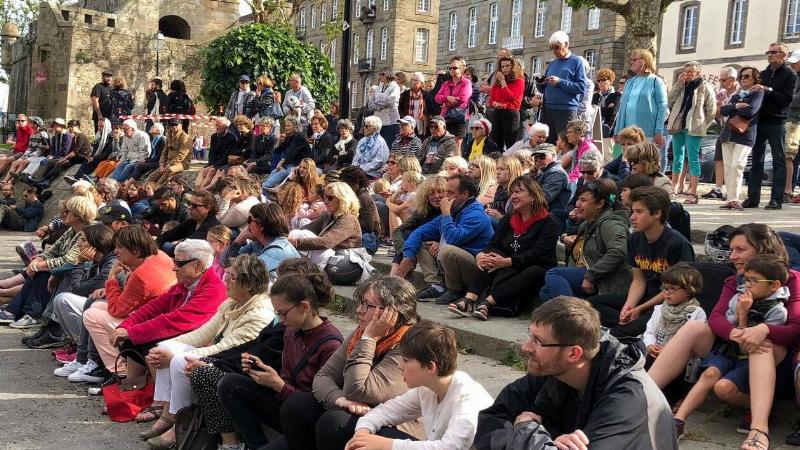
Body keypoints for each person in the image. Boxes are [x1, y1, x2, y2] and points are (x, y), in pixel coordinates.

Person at [648, 224, 798, 450]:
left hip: (778, 363)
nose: (733, 256)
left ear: (762, 250)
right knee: (693, 328)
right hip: (735, 351)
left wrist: (764, 330)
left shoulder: (792, 280)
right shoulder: (734, 281)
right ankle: (639, 396)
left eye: (740, 250)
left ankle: (759, 430)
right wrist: (738, 332)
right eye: (732, 249)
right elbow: (716, 318)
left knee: (761, 343)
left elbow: (796, 329)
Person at [499, 296, 677, 449]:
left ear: (574, 353)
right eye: (530, 335)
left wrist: (526, 429)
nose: (525, 347)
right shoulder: (554, 368)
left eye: (537, 341)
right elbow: (493, 419)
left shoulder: (627, 398)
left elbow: (522, 428)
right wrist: (548, 442)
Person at [270, 276, 421, 450]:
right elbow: (322, 377)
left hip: (394, 426)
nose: (359, 310)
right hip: (358, 413)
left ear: (392, 312)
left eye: (367, 305)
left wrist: (369, 339)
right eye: (360, 303)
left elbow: (359, 390)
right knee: (296, 405)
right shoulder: (360, 333)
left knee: (335, 422)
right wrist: (340, 399)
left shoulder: (409, 343)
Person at [140, 253, 275, 449]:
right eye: (227, 274)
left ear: (248, 283)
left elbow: (227, 348)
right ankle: (167, 413)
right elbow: (203, 333)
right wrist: (165, 346)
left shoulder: (260, 314)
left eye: (231, 277)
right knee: (165, 348)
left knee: (179, 360)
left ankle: (179, 420)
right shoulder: (232, 302)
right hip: (221, 356)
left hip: (234, 363)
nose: (225, 280)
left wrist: (183, 356)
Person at [214, 269, 343, 450]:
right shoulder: (291, 331)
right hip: (286, 404)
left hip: (307, 418)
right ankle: (256, 444)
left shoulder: (331, 344)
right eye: (277, 314)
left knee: (295, 405)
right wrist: (260, 370)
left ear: (304, 307)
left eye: (283, 313)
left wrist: (278, 385)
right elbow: (286, 376)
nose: (280, 320)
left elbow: (319, 403)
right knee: (228, 383)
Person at [672, 255, 788, 441]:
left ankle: (762, 407)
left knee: (723, 388)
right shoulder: (738, 298)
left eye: (754, 281)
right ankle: (678, 421)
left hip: (750, 359)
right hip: (729, 349)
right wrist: (740, 312)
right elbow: (728, 325)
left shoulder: (777, 311)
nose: (747, 285)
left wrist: (743, 315)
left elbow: (748, 346)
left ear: (774, 285)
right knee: (709, 374)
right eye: (746, 279)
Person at [347, 321, 493, 449]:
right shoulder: (427, 388)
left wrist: (385, 445)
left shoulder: (467, 399)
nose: (399, 365)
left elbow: (450, 447)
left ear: (430, 367)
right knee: (339, 421)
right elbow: (384, 412)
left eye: (405, 360)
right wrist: (361, 436)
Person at [448, 175, 556, 320]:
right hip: (510, 263)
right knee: (491, 255)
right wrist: (481, 254)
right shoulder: (509, 218)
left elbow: (539, 254)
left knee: (535, 270)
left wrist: (508, 261)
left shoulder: (548, 221)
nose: (513, 196)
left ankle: (487, 302)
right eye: (512, 193)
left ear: (533, 196)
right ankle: (469, 299)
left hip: (535, 266)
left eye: (518, 192)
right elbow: (493, 244)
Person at [593, 186, 694, 337]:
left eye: (639, 212)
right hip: (644, 297)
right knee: (590, 305)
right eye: (632, 211)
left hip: (668, 302)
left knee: (619, 332)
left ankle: (629, 328)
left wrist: (640, 309)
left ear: (657, 213)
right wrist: (628, 308)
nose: (632, 217)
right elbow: (639, 280)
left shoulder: (677, 243)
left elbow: (679, 289)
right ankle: (630, 324)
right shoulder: (634, 239)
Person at [80, 225, 176, 379]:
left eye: (120, 247)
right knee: (96, 304)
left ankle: (119, 371)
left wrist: (111, 278)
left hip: (153, 325)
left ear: (136, 251)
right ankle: (92, 361)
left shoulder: (141, 275)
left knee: (91, 315)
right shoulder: (160, 255)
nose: (115, 252)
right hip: (157, 317)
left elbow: (116, 310)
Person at [396, 175, 493, 305]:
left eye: (450, 192)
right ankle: (436, 286)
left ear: (464, 194)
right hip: (456, 265)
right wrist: (408, 257)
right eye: (446, 191)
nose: (444, 196)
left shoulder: (475, 214)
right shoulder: (456, 208)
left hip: (477, 271)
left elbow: (454, 239)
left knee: (447, 250)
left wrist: (446, 213)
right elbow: (419, 232)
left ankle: (454, 290)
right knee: (422, 243)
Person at [0, 196, 97, 327]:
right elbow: (54, 250)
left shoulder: (88, 232)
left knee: (42, 272)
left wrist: (39, 266)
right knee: (37, 270)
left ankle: (31, 314)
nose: (64, 213)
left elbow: (70, 260)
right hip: (65, 269)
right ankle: (13, 311)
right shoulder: (71, 230)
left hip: (78, 273)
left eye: (68, 211)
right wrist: (38, 260)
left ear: (78, 215)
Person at [540, 178, 630, 303]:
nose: (577, 204)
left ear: (600, 204)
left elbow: (618, 251)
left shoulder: (611, 223)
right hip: (593, 275)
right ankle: (581, 311)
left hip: (608, 279)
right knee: (546, 290)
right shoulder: (587, 223)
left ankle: (575, 314)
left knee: (554, 273)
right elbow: (576, 258)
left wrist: (591, 275)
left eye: (583, 200)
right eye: (578, 199)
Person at [744, 42, 798, 210]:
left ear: (784, 55)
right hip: (760, 121)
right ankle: (753, 198)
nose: (770, 54)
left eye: (774, 52)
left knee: (779, 160)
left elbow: (786, 99)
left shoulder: (790, 75)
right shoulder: (763, 73)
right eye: (768, 51)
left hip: (777, 121)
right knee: (756, 161)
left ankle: (776, 199)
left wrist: (767, 90)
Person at [288, 182, 374, 279]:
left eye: (330, 198)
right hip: (331, 258)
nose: (325, 201)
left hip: (344, 264)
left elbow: (327, 242)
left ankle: (293, 273)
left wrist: (295, 242)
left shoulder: (348, 219)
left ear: (342, 199)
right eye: (325, 197)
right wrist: (284, 238)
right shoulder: (328, 215)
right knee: (298, 232)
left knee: (303, 235)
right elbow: (307, 228)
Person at [666, 61, 716, 205]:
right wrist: (678, 84)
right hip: (678, 125)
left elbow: (711, 110)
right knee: (677, 156)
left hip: (694, 126)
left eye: (690, 72)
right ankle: (675, 186)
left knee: (693, 158)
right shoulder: (682, 86)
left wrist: (702, 124)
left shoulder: (705, 87)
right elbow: (669, 101)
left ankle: (693, 190)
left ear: (698, 73)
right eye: (686, 71)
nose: (687, 74)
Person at [718, 66, 765, 210]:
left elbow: (752, 110)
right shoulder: (738, 95)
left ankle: (735, 198)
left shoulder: (758, 92)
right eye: (742, 76)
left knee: (737, 165)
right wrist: (737, 105)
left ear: (755, 79)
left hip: (745, 134)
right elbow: (723, 110)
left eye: (747, 76)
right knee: (728, 168)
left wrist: (733, 107)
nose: (743, 79)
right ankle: (730, 199)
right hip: (729, 133)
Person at [641, 263, 706, 363]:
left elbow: (693, 344)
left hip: (679, 361)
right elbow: (649, 332)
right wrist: (650, 345)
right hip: (655, 355)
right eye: (665, 288)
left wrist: (669, 351)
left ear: (689, 291)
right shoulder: (660, 308)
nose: (666, 292)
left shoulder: (696, 313)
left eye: (672, 288)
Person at [613, 49, 668, 160]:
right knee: (628, 163)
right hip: (628, 132)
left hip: (647, 131)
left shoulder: (655, 81)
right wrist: (618, 131)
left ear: (645, 61)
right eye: (631, 60)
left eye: (634, 60)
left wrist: (658, 131)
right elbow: (622, 108)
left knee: (645, 163)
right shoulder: (630, 81)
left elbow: (662, 107)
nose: (631, 63)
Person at [536, 32, 587, 145]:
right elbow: (543, 90)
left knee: (565, 143)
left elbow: (581, 87)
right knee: (547, 143)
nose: (554, 51)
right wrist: (540, 83)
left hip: (565, 110)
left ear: (566, 44)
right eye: (552, 48)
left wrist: (560, 82)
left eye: (557, 47)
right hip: (548, 109)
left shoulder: (576, 62)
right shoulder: (553, 63)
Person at [702, 66, 741, 200]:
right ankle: (718, 188)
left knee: (734, 161)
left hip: (737, 128)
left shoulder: (740, 92)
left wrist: (726, 107)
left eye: (723, 79)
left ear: (732, 79)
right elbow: (716, 114)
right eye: (720, 79)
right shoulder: (722, 92)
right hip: (724, 127)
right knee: (719, 158)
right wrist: (719, 107)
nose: (721, 82)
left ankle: (731, 190)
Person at [232, 202, 300, 276]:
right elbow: (226, 262)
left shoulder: (277, 251)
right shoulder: (259, 243)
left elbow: (245, 276)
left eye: (250, 220)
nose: (248, 225)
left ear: (261, 226)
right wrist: (239, 239)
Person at [156, 190, 221, 254]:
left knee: (166, 246)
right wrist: (155, 246)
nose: (190, 207)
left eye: (194, 205)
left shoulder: (212, 226)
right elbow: (168, 235)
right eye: (189, 203)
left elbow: (184, 246)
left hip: (198, 261)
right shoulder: (193, 221)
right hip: (184, 255)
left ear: (207, 208)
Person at [263, 116, 310, 189]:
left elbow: (290, 152)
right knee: (274, 171)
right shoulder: (290, 137)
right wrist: (279, 140)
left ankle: (267, 187)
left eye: (288, 125)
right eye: (285, 126)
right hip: (290, 164)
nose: (286, 127)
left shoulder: (299, 137)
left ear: (295, 126)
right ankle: (265, 187)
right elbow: (277, 150)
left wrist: (281, 162)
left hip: (300, 164)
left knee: (284, 172)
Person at [436, 57, 473, 150]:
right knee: (444, 144)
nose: (452, 70)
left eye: (455, 68)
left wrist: (446, 103)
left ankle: (457, 164)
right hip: (446, 116)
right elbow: (437, 97)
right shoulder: (446, 84)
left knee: (457, 145)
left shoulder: (466, 83)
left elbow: (463, 98)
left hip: (460, 117)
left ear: (461, 69)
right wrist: (447, 97)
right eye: (450, 68)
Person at [488, 56, 525, 149]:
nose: (505, 68)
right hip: (498, 113)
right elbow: (491, 99)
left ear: (512, 66)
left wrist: (503, 81)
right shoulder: (497, 82)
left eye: (507, 66)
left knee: (510, 144)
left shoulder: (519, 81)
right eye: (502, 66)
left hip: (511, 114)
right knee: (496, 143)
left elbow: (510, 97)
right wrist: (495, 103)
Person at [531, 144, 571, 230]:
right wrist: (531, 177)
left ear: (553, 156)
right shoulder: (544, 171)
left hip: (550, 219)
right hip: (542, 216)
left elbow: (543, 199)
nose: (538, 160)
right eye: (535, 158)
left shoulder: (556, 173)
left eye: (542, 156)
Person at [195, 118, 238, 190]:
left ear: (226, 127)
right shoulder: (214, 136)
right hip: (215, 162)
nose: (217, 127)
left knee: (211, 171)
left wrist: (213, 166)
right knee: (202, 170)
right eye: (216, 125)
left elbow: (227, 156)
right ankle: (196, 189)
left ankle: (202, 190)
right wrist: (210, 164)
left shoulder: (232, 138)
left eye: (220, 126)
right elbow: (212, 153)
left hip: (225, 162)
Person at [148, 118, 192, 186]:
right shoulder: (169, 136)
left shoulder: (185, 138)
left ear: (180, 125)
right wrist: (162, 165)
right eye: (172, 125)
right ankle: (143, 189)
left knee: (169, 171)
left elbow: (181, 156)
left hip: (182, 163)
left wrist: (169, 165)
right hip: (168, 162)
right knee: (153, 175)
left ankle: (156, 188)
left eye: (176, 125)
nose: (174, 127)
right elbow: (164, 153)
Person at [369, 70, 402, 146]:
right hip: (378, 123)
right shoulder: (378, 88)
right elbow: (370, 103)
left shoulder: (395, 87)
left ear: (389, 74)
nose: (380, 76)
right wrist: (380, 105)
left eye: (383, 74)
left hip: (391, 122)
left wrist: (377, 102)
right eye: (379, 74)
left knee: (389, 145)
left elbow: (391, 101)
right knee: (377, 145)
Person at [593, 68, 621, 139]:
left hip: (608, 129)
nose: (600, 83)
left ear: (610, 81)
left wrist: (599, 109)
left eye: (603, 80)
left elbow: (613, 113)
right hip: (595, 127)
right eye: (599, 81)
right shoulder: (596, 96)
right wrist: (607, 109)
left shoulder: (617, 95)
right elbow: (593, 111)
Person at [398, 72, 427, 138]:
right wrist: (403, 118)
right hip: (408, 123)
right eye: (413, 80)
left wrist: (425, 114)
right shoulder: (405, 94)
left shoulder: (426, 94)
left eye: (416, 80)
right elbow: (399, 107)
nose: (414, 82)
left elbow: (428, 108)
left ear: (421, 82)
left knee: (420, 140)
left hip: (420, 123)